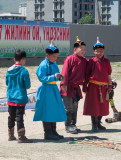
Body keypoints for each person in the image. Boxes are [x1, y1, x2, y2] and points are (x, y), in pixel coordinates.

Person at [33, 41, 67, 140]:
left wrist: (60, 77)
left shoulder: (54, 63)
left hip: (53, 89)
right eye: (53, 56)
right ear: (47, 55)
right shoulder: (43, 65)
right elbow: (42, 78)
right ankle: (47, 133)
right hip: (46, 90)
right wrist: (53, 77)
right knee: (47, 110)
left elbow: (56, 75)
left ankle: (53, 131)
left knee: (54, 110)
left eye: (56, 56)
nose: (55, 58)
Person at [83, 37, 112, 132]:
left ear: (103, 51)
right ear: (94, 51)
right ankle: (94, 124)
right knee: (94, 106)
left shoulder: (107, 61)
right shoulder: (91, 62)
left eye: (101, 50)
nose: (99, 52)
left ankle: (99, 123)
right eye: (97, 51)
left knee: (102, 106)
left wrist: (110, 86)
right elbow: (86, 75)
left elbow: (108, 74)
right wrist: (84, 86)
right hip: (93, 87)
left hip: (104, 87)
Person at [60, 36, 87, 134]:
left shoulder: (84, 60)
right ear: (75, 49)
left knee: (75, 107)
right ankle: (68, 126)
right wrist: (63, 84)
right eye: (81, 49)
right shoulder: (69, 59)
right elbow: (65, 72)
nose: (83, 51)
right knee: (68, 107)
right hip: (68, 86)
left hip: (76, 88)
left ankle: (73, 124)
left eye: (84, 49)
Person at [6, 49, 32, 143]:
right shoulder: (24, 71)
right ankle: (21, 137)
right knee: (19, 117)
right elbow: (27, 85)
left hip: (10, 98)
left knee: (11, 116)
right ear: (23, 59)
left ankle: (10, 135)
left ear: (14, 59)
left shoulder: (8, 70)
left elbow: (6, 83)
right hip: (20, 98)